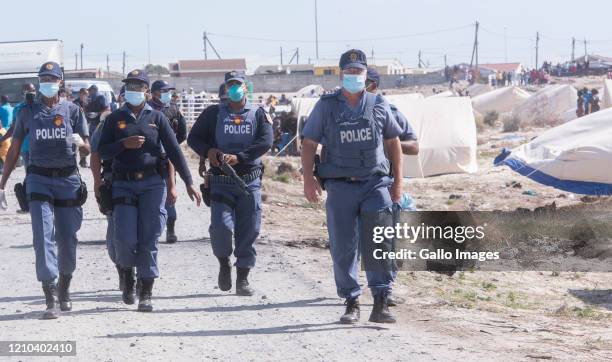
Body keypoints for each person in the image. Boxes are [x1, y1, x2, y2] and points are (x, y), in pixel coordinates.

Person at [301, 50, 403, 324]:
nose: (354, 76)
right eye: (350, 71)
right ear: (341, 73)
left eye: (359, 71)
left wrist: (398, 184)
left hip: (375, 183)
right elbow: (309, 143)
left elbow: (393, 143)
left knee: (379, 242)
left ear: (366, 73)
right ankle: (351, 301)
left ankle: (381, 301)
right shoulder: (326, 106)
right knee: (343, 247)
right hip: (341, 187)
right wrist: (308, 179)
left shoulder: (379, 104)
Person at [97, 69, 201, 312]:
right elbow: (102, 152)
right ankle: (126, 273)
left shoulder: (157, 117)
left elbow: (175, 151)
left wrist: (188, 182)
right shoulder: (114, 119)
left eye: (138, 86)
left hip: (153, 184)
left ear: (146, 90)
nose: (134, 90)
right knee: (124, 239)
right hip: (123, 184)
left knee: (149, 238)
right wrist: (123, 144)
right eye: (130, 86)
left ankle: (146, 291)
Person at [0, 62, 90, 319]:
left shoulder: (73, 110)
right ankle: (49, 293)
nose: (47, 81)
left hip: (68, 181)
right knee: (42, 236)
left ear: (61, 81)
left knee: (67, 238)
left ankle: (65, 285)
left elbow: (87, 148)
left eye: (52, 77)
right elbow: (15, 149)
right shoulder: (27, 112)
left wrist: (81, 144)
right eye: (44, 78)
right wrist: (3, 183)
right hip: (38, 179)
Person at [188, 71, 273, 296]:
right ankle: (224, 261)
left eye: (238, 84)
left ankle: (243, 277)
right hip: (221, 181)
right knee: (221, 228)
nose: (234, 88)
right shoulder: (213, 113)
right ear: (225, 89)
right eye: (230, 85)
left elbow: (266, 141)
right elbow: (193, 138)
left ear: (246, 88)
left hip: (249, 182)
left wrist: (241, 157)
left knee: (249, 229)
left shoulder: (258, 114)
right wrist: (209, 151)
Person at [365, 67, 419, 306]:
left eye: (363, 81)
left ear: (374, 85)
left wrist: (390, 143)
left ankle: (384, 289)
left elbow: (414, 146)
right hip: (354, 184)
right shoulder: (343, 111)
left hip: (384, 183)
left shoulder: (389, 111)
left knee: (386, 239)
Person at [148, 80, 187, 243]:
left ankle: (170, 228)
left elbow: (182, 133)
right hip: (147, 158)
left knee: (169, 193)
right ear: (155, 93)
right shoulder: (145, 109)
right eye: (164, 91)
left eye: (168, 91)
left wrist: (171, 147)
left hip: (167, 160)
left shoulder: (174, 109)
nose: (167, 94)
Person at [82, 85, 110, 167]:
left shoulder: (100, 97)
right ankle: (97, 162)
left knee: (96, 144)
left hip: (98, 123)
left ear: (94, 90)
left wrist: (96, 114)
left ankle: (97, 162)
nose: (89, 92)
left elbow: (107, 109)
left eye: (90, 90)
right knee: (95, 143)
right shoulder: (90, 98)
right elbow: (107, 108)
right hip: (94, 123)